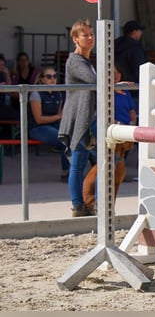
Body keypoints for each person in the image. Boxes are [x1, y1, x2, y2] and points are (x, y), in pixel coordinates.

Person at [58, 18, 98, 217]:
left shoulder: (86, 61)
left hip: (87, 118)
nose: (90, 38)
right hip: (81, 120)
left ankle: (83, 204)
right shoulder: (75, 61)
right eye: (86, 35)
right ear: (75, 39)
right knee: (102, 159)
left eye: (92, 34)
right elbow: (94, 81)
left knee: (82, 162)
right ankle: (83, 203)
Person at [82, 65, 135, 212]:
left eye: (117, 73)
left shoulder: (125, 91)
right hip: (112, 130)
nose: (115, 76)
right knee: (109, 165)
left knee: (116, 169)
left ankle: (109, 205)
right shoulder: (105, 92)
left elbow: (132, 111)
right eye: (111, 74)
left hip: (124, 130)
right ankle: (93, 202)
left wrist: (132, 123)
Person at [28, 66, 69, 181]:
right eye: (49, 76)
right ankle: (67, 172)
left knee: (74, 136)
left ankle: (89, 166)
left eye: (55, 76)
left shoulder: (58, 94)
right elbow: (39, 119)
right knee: (65, 139)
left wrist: (59, 119)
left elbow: (60, 115)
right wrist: (57, 117)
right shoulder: (36, 94)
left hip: (54, 125)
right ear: (42, 79)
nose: (53, 79)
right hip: (37, 128)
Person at [115, 20, 148, 84]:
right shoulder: (135, 48)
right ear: (134, 32)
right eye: (139, 30)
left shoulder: (115, 45)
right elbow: (140, 68)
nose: (141, 33)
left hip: (118, 85)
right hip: (133, 85)